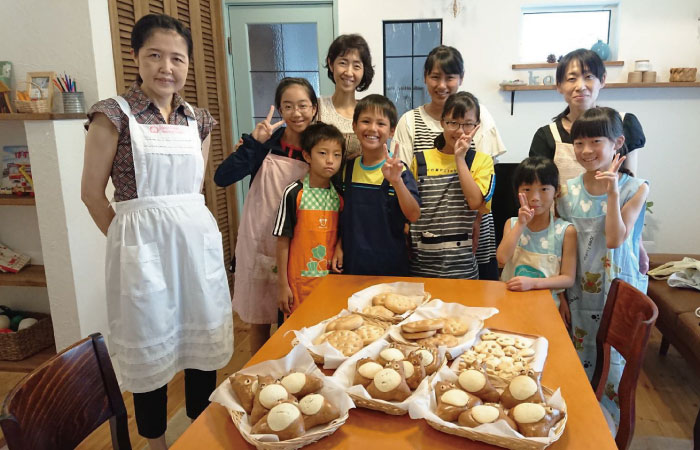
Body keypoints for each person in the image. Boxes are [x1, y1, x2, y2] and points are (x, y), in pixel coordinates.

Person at [81, 14, 232, 449]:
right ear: (136, 58)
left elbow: (194, 188)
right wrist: (128, 243)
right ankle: (156, 442)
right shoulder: (112, 115)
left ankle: (202, 433)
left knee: (202, 337)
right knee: (149, 344)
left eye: (177, 58)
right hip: (140, 247)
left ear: (187, 64)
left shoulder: (198, 120)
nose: (167, 67)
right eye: (155, 56)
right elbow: (92, 194)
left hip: (193, 242)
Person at [557, 107, 649, 425]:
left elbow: (615, 239)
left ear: (617, 143)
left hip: (618, 293)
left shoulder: (636, 188)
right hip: (579, 293)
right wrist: (559, 295)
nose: (585, 150)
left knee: (616, 367)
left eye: (595, 141)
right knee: (576, 361)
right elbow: (560, 248)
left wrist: (611, 193)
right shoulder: (565, 191)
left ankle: (607, 432)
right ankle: (578, 425)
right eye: (578, 142)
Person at [214, 77, 317, 354]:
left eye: (303, 105)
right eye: (288, 106)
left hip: (299, 244)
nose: (297, 113)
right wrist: (253, 145)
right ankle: (258, 375)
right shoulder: (264, 145)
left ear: (315, 108)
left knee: (298, 320)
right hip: (260, 240)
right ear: (280, 111)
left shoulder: (319, 147)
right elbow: (222, 177)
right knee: (259, 318)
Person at [393, 45, 506, 280]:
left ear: (461, 78)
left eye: (450, 77)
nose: (442, 85)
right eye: (435, 77)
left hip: (471, 228)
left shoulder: (480, 115)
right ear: (425, 78)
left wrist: (476, 220)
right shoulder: (409, 120)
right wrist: (407, 225)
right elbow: (404, 178)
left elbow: (486, 174)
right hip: (425, 236)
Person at [529, 48, 646, 186]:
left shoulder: (624, 123)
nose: (580, 86)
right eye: (571, 79)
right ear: (559, 86)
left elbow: (631, 184)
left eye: (589, 77)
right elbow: (540, 189)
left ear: (602, 80)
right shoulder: (546, 136)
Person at [331, 94, 420, 276]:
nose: (372, 128)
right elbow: (344, 218)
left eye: (381, 123)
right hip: (352, 265)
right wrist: (339, 245)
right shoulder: (347, 170)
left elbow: (413, 215)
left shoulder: (399, 171)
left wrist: (396, 183)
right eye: (365, 121)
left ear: (392, 130)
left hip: (391, 267)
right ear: (354, 126)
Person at [409, 92, 494, 279]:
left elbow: (475, 203)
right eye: (453, 122)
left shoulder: (482, 162)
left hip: (463, 269)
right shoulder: (420, 159)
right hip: (421, 266)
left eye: (467, 124)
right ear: (442, 122)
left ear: (476, 126)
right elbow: (410, 210)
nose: (460, 130)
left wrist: (459, 158)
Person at [273, 123, 345, 316]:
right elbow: (282, 240)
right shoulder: (294, 193)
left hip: (330, 283)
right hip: (298, 285)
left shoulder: (339, 197)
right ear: (307, 156)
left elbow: (343, 232)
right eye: (322, 153)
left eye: (336, 155)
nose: (330, 160)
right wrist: (282, 285)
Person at [496, 156, 577, 325]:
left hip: (547, 309)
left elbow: (568, 278)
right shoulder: (511, 224)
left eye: (544, 189)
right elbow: (502, 259)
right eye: (527, 189)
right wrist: (520, 224)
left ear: (557, 192)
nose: (535, 197)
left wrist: (533, 283)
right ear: (517, 191)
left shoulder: (565, 231)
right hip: (510, 303)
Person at [319, 34, 374, 161]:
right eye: (343, 63)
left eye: (356, 66)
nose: (349, 72)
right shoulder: (315, 108)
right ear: (331, 64)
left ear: (363, 71)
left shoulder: (368, 112)